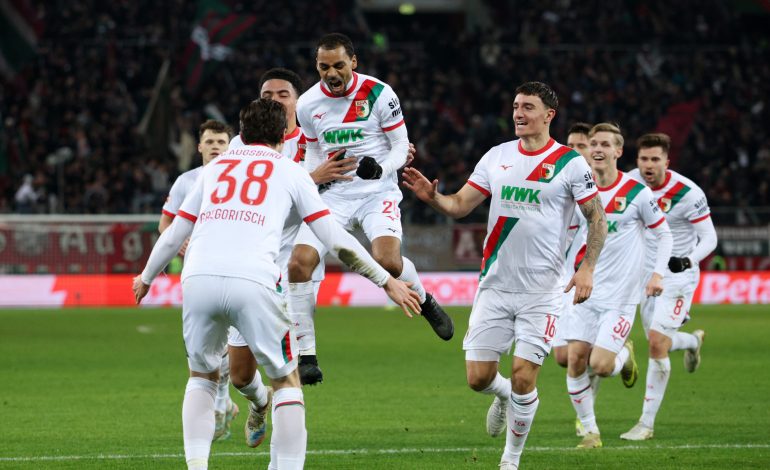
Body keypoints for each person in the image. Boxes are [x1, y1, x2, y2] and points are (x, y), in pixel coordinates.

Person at [133, 99, 421, 470]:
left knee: (202, 377)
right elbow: (333, 237)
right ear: (283, 137)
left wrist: (146, 277)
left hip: (199, 278)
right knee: (285, 381)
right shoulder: (290, 171)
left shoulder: (214, 169)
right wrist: (385, 280)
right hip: (254, 280)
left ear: (241, 132)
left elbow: (175, 233)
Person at [403, 82, 607, 470]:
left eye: (527, 107)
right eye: (515, 106)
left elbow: (597, 218)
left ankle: (509, 461)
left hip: (542, 291)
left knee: (525, 377)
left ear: (549, 115)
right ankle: (503, 395)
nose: (518, 113)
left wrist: (587, 268)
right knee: (478, 378)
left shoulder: (570, 163)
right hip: (495, 285)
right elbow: (460, 205)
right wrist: (433, 198)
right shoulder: (497, 156)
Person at [288, 32, 453, 385]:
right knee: (299, 263)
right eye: (323, 67)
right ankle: (307, 356)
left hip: (377, 192)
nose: (331, 73)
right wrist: (314, 179)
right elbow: (314, 150)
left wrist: (381, 168)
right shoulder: (307, 103)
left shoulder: (379, 93)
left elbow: (401, 145)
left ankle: (425, 300)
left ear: (353, 62)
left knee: (388, 263)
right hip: (333, 196)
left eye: (338, 65)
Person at [560, 123, 673, 449]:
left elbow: (664, 234)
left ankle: (624, 356)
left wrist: (658, 274)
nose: (597, 149)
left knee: (600, 364)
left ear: (618, 151)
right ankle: (591, 432)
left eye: (605, 144)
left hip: (620, 297)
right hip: (584, 291)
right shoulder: (578, 191)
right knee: (574, 359)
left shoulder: (637, 193)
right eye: (594, 143)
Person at [621, 132, 717, 441]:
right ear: (637, 160)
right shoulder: (629, 183)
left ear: (667, 161)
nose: (648, 165)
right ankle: (691, 342)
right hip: (645, 275)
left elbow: (710, 238)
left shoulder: (688, 193)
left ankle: (646, 424)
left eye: (655, 159)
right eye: (644, 159)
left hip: (678, 275)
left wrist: (687, 260)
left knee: (656, 344)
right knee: (657, 341)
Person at [159, 119, 240, 441]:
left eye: (222, 142)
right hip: (197, 270)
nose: (216, 147)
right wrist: (179, 242)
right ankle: (222, 403)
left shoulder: (242, 178)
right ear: (199, 147)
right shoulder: (186, 182)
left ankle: (221, 403)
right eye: (210, 142)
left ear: (231, 146)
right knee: (203, 343)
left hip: (236, 267)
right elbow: (165, 223)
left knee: (231, 339)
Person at [549, 122, 600, 439]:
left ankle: (587, 423)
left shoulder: (595, 191)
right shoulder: (556, 182)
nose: (575, 151)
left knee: (580, 356)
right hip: (556, 280)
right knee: (562, 357)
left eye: (582, 146)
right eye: (571, 145)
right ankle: (618, 354)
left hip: (586, 278)